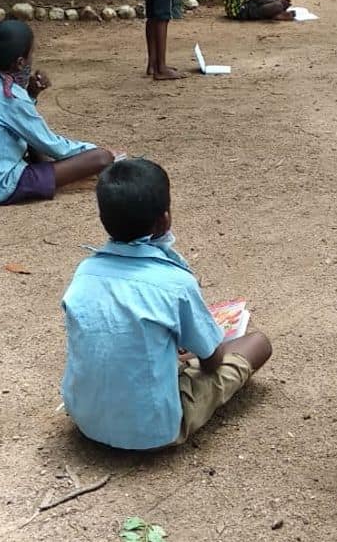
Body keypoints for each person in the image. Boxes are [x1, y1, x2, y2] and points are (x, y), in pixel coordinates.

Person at [61, 158, 273, 450]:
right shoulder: (175, 283)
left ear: (103, 217)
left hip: (85, 418)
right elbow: (212, 363)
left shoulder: (84, 272)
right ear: (164, 219)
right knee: (257, 343)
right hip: (153, 430)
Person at [0, 20, 115, 205]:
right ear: (20, 63)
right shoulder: (11, 96)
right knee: (101, 158)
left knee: (32, 140)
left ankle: (43, 169)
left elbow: (14, 121)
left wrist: (31, 94)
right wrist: (95, 150)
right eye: (31, 54)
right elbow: (53, 146)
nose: (32, 59)